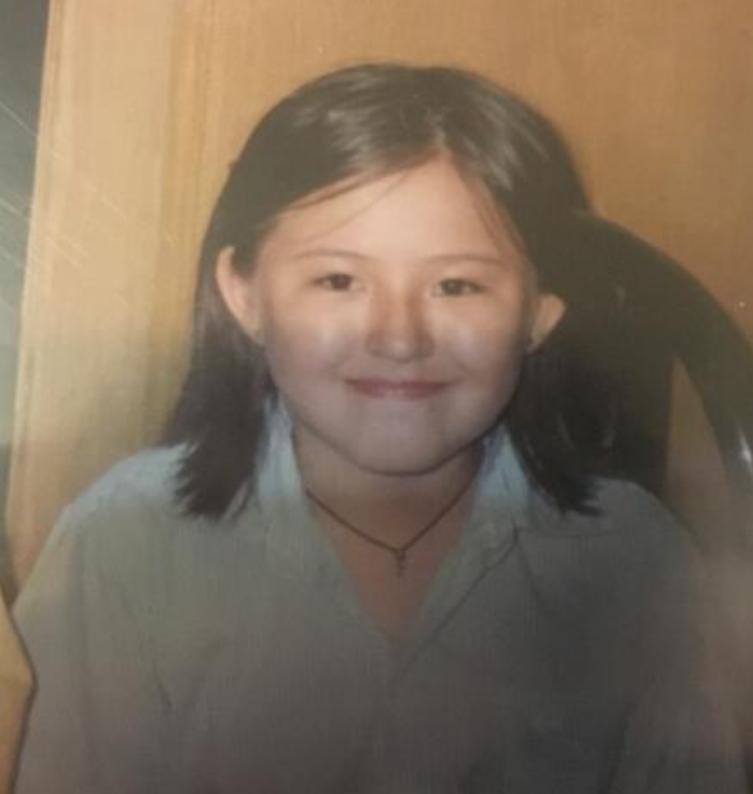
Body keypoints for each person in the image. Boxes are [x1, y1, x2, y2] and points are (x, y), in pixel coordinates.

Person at [13, 62, 747, 793]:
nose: (399, 337)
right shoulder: (121, 546)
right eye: (338, 280)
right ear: (244, 296)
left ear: (537, 315)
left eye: (456, 286)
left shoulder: (636, 561)